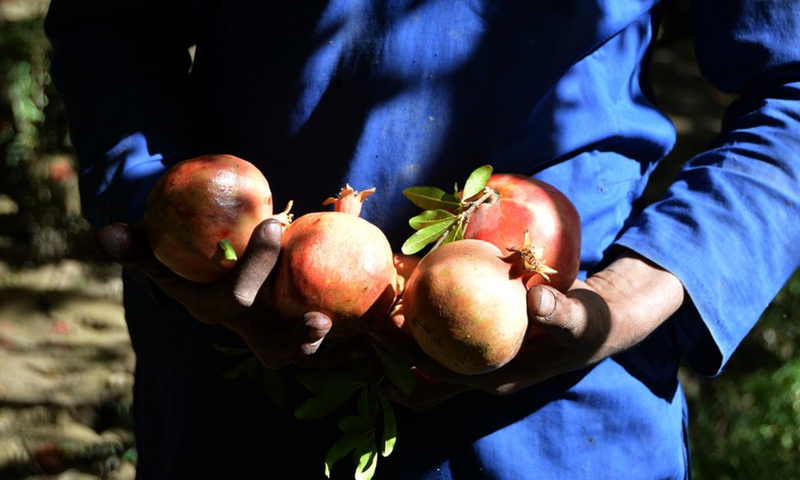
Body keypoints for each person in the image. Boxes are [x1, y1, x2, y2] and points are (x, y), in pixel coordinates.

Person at [44, 1, 800, 478]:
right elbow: (109, 21)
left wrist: (627, 301)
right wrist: (166, 212)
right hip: (236, 388)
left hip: (561, 413)